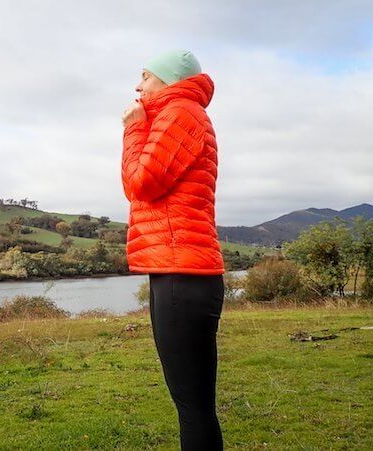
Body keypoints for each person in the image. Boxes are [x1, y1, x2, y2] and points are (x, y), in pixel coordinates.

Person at [120, 49, 226, 450]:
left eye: (145, 76)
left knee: (192, 404)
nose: (138, 85)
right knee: (191, 402)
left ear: (168, 80)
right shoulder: (174, 115)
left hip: (184, 273)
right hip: (175, 269)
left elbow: (142, 184)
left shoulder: (181, 113)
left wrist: (133, 130)